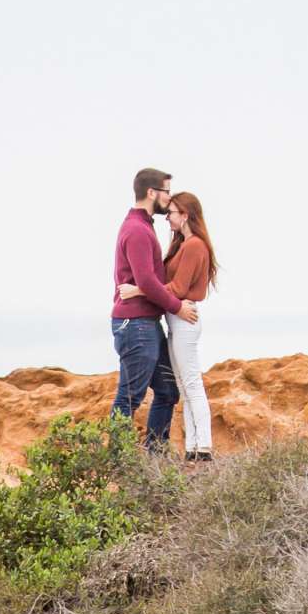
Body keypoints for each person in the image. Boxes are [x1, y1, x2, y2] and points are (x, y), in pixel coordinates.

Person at [125, 190, 218, 461]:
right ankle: (193, 447)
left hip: (184, 319)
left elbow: (177, 288)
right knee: (184, 384)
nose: (168, 218)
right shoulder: (183, 244)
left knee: (191, 383)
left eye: (172, 213)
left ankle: (204, 446)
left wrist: (138, 290)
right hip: (177, 319)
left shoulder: (194, 246)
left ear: (186, 215)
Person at [111, 167, 197, 450]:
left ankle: (155, 457)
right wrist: (177, 307)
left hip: (147, 324)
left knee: (167, 391)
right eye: (166, 192)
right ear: (151, 193)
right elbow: (147, 279)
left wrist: (144, 289)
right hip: (135, 325)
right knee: (130, 396)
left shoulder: (144, 226)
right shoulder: (136, 230)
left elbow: (147, 281)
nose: (168, 198)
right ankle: (117, 463)